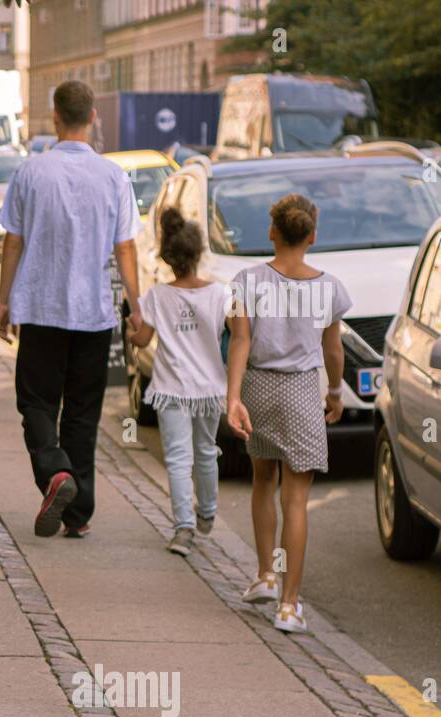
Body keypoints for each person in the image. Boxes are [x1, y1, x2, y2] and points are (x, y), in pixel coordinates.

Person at [0, 80, 143, 538]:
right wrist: (137, 309)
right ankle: (78, 515)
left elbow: (12, 240)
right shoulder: (114, 176)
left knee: (37, 401)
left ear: (54, 117)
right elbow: (126, 249)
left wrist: (3, 300)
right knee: (83, 411)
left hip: (40, 308)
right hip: (94, 313)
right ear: (94, 118)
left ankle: (56, 473)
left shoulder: (30, 172)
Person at [225, 193, 349, 633]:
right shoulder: (329, 288)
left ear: (272, 232)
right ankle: (290, 607)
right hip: (300, 391)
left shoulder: (246, 281)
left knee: (263, 479)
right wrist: (335, 392)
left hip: (258, 385)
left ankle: (265, 576)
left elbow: (239, 340)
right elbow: (333, 350)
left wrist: (233, 396)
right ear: (313, 236)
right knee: (296, 498)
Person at [126, 208, 230, 557]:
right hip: (210, 389)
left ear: (168, 258)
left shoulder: (157, 297)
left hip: (172, 389)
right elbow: (235, 333)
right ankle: (208, 512)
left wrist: (130, 329)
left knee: (177, 458)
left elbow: (142, 341)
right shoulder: (219, 295)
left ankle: (183, 528)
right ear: (199, 254)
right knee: (206, 452)